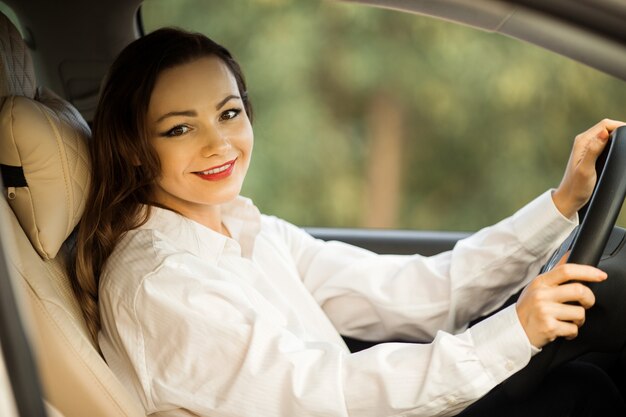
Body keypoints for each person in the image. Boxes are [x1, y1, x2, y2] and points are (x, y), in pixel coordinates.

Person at [68, 27, 626, 416]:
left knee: (578, 383)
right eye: (180, 128)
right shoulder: (162, 283)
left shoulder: (241, 228)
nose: (220, 143)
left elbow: (416, 291)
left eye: (229, 112)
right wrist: (514, 332)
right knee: (582, 392)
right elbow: (320, 397)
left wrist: (562, 202)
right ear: (137, 149)